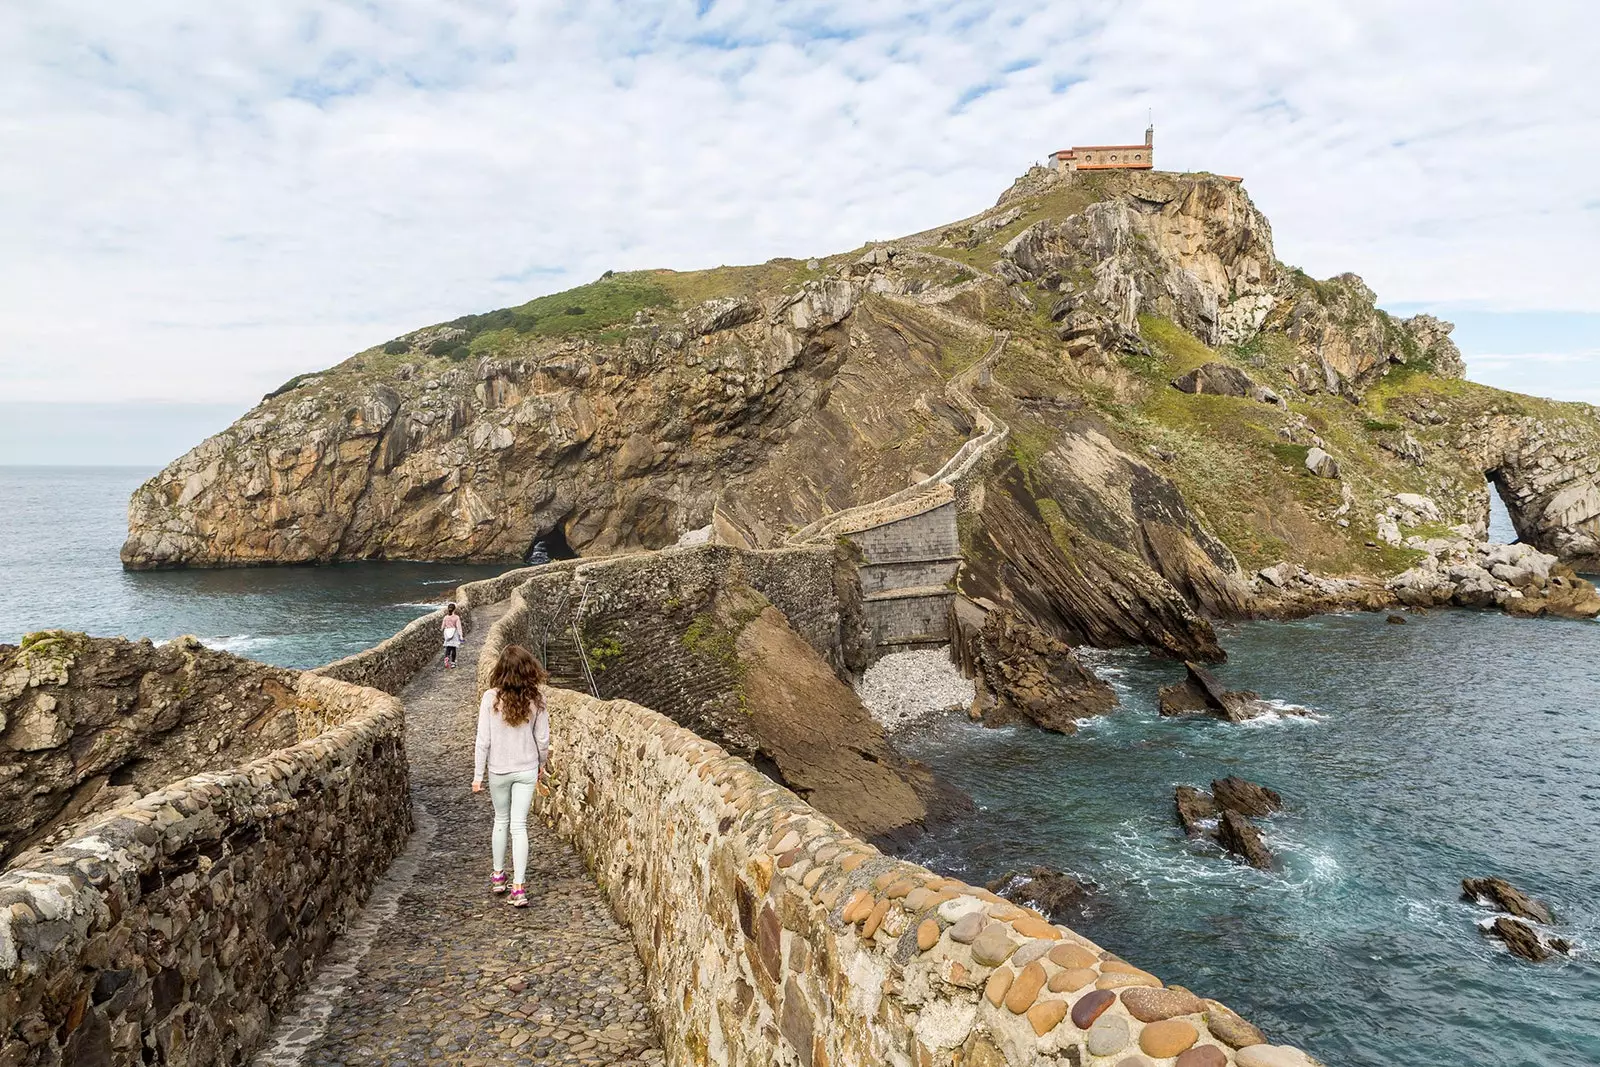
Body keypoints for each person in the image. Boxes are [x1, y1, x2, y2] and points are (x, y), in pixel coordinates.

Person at [471, 644, 550, 908]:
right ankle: (519, 888)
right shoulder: (536, 699)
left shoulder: (490, 698)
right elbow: (543, 739)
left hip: (498, 769)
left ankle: (497, 876)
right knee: (519, 826)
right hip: (526, 768)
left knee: (501, 821)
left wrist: (477, 775)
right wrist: (541, 764)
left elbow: (483, 740)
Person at [441, 602, 464, 668]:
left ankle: (446, 658)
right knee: (453, 648)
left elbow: (442, 627)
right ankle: (453, 663)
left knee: (448, 648)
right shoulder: (456, 617)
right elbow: (459, 627)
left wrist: (445, 628)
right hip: (454, 633)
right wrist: (461, 636)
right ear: (454, 609)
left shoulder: (445, 617)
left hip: (447, 634)